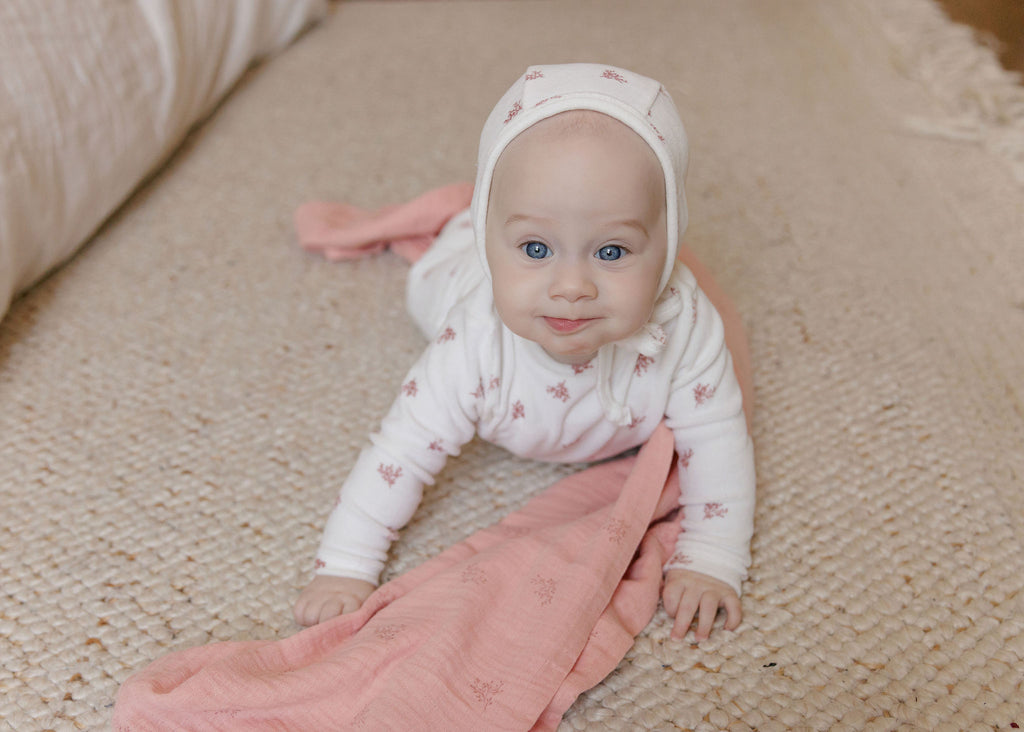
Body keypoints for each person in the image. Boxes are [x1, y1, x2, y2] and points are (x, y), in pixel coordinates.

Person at [294, 63, 755, 643]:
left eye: (612, 251)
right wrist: (344, 565)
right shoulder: (473, 340)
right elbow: (401, 453)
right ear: (498, 240)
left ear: (667, 245)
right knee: (434, 275)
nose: (571, 286)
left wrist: (711, 557)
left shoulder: (685, 323)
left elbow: (717, 438)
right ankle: (463, 227)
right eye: (536, 247)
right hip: (459, 276)